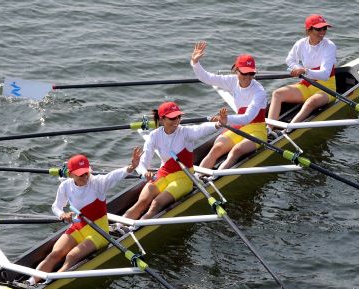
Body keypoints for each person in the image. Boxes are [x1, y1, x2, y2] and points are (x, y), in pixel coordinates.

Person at [28, 147, 141, 285]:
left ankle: (48, 283)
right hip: (78, 227)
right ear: (71, 174)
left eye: (87, 173)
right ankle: (31, 281)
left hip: (99, 232)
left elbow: (114, 176)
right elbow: (56, 207)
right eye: (81, 174)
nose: (85, 177)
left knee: (71, 256)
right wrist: (62, 214)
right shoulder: (65, 186)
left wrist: (131, 167)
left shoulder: (98, 183)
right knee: (54, 254)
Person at [122, 101, 227, 221]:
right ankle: (119, 226)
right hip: (162, 174)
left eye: (179, 117)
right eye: (172, 118)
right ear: (161, 120)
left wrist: (219, 124)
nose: (177, 121)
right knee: (142, 202)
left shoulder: (185, 132)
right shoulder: (154, 136)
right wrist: (144, 172)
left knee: (156, 203)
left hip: (184, 177)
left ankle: (136, 227)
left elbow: (200, 129)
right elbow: (143, 162)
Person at [190, 41, 268, 170]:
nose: (248, 77)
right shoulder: (232, 81)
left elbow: (248, 117)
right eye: (244, 73)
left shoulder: (259, 91)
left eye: (251, 73)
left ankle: (216, 177)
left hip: (257, 131)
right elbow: (207, 78)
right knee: (216, 149)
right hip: (239, 126)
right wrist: (195, 63)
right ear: (236, 71)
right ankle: (197, 178)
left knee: (236, 151)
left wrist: (227, 120)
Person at [267, 14, 336, 126]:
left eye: (325, 28)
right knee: (277, 94)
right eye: (318, 29)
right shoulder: (301, 44)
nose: (322, 31)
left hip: (326, 88)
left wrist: (305, 71)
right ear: (308, 30)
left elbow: (325, 75)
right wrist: (297, 68)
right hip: (307, 85)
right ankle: (269, 129)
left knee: (311, 102)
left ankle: (287, 130)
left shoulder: (329, 46)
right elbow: (289, 60)